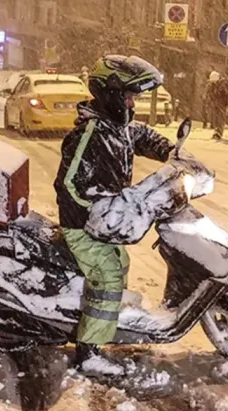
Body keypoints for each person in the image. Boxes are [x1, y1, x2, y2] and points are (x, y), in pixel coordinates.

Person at [53, 55, 173, 370]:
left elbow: (142, 136)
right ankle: (89, 352)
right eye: (128, 97)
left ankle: (105, 321)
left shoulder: (118, 127)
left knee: (121, 262)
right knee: (107, 275)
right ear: (111, 94)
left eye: (134, 97)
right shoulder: (90, 133)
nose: (132, 104)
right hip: (83, 225)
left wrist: (171, 152)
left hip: (105, 223)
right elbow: (69, 184)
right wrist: (97, 208)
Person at [209, 71, 228, 140]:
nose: (213, 83)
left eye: (214, 82)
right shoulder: (214, 85)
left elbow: (226, 95)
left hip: (221, 105)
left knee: (220, 119)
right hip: (216, 104)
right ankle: (216, 131)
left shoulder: (223, 85)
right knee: (216, 119)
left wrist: (227, 104)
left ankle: (219, 133)